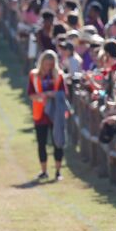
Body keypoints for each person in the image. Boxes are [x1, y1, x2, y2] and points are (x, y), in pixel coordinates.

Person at [27, 50, 68, 181]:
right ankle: (44, 171)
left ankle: (57, 171)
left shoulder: (59, 75)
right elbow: (31, 94)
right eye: (46, 64)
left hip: (56, 112)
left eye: (51, 64)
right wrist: (42, 97)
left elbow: (63, 93)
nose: (48, 67)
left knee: (57, 140)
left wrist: (52, 94)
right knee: (41, 143)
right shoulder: (34, 75)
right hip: (40, 113)